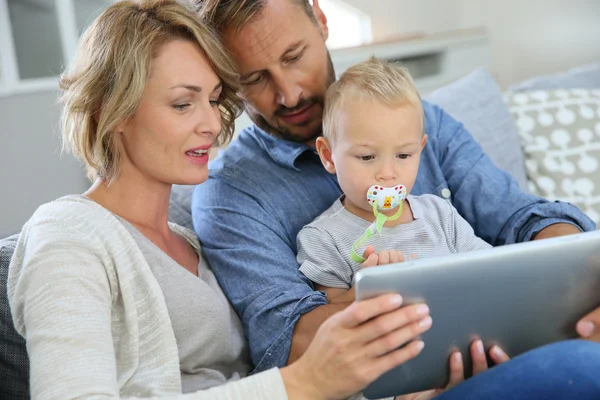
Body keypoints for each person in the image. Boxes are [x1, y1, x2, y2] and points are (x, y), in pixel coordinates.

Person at [7, 1, 443, 398]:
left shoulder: (191, 245)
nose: (212, 125)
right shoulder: (67, 235)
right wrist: (305, 381)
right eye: (183, 104)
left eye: (214, 100)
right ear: (111, 111)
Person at [191, 0, 600, 393]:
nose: (290, 93)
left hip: (505, 351)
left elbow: (524, 219)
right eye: (255, 79)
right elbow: (289, 338)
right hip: (403, 383)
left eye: (295, 56)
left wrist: (584, 284)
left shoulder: (418, 122)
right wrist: (423, 331)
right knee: (580, 369)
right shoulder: (230, 195)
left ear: (320, 19)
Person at [297, 58, 491, 300]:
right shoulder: (324, 238)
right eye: (367, 157)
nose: (387, 173)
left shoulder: (441, 215)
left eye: (403, 155)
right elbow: (329, 319)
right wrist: (365, 289)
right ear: (329, 156)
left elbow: (489, 271)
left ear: (420, 150)